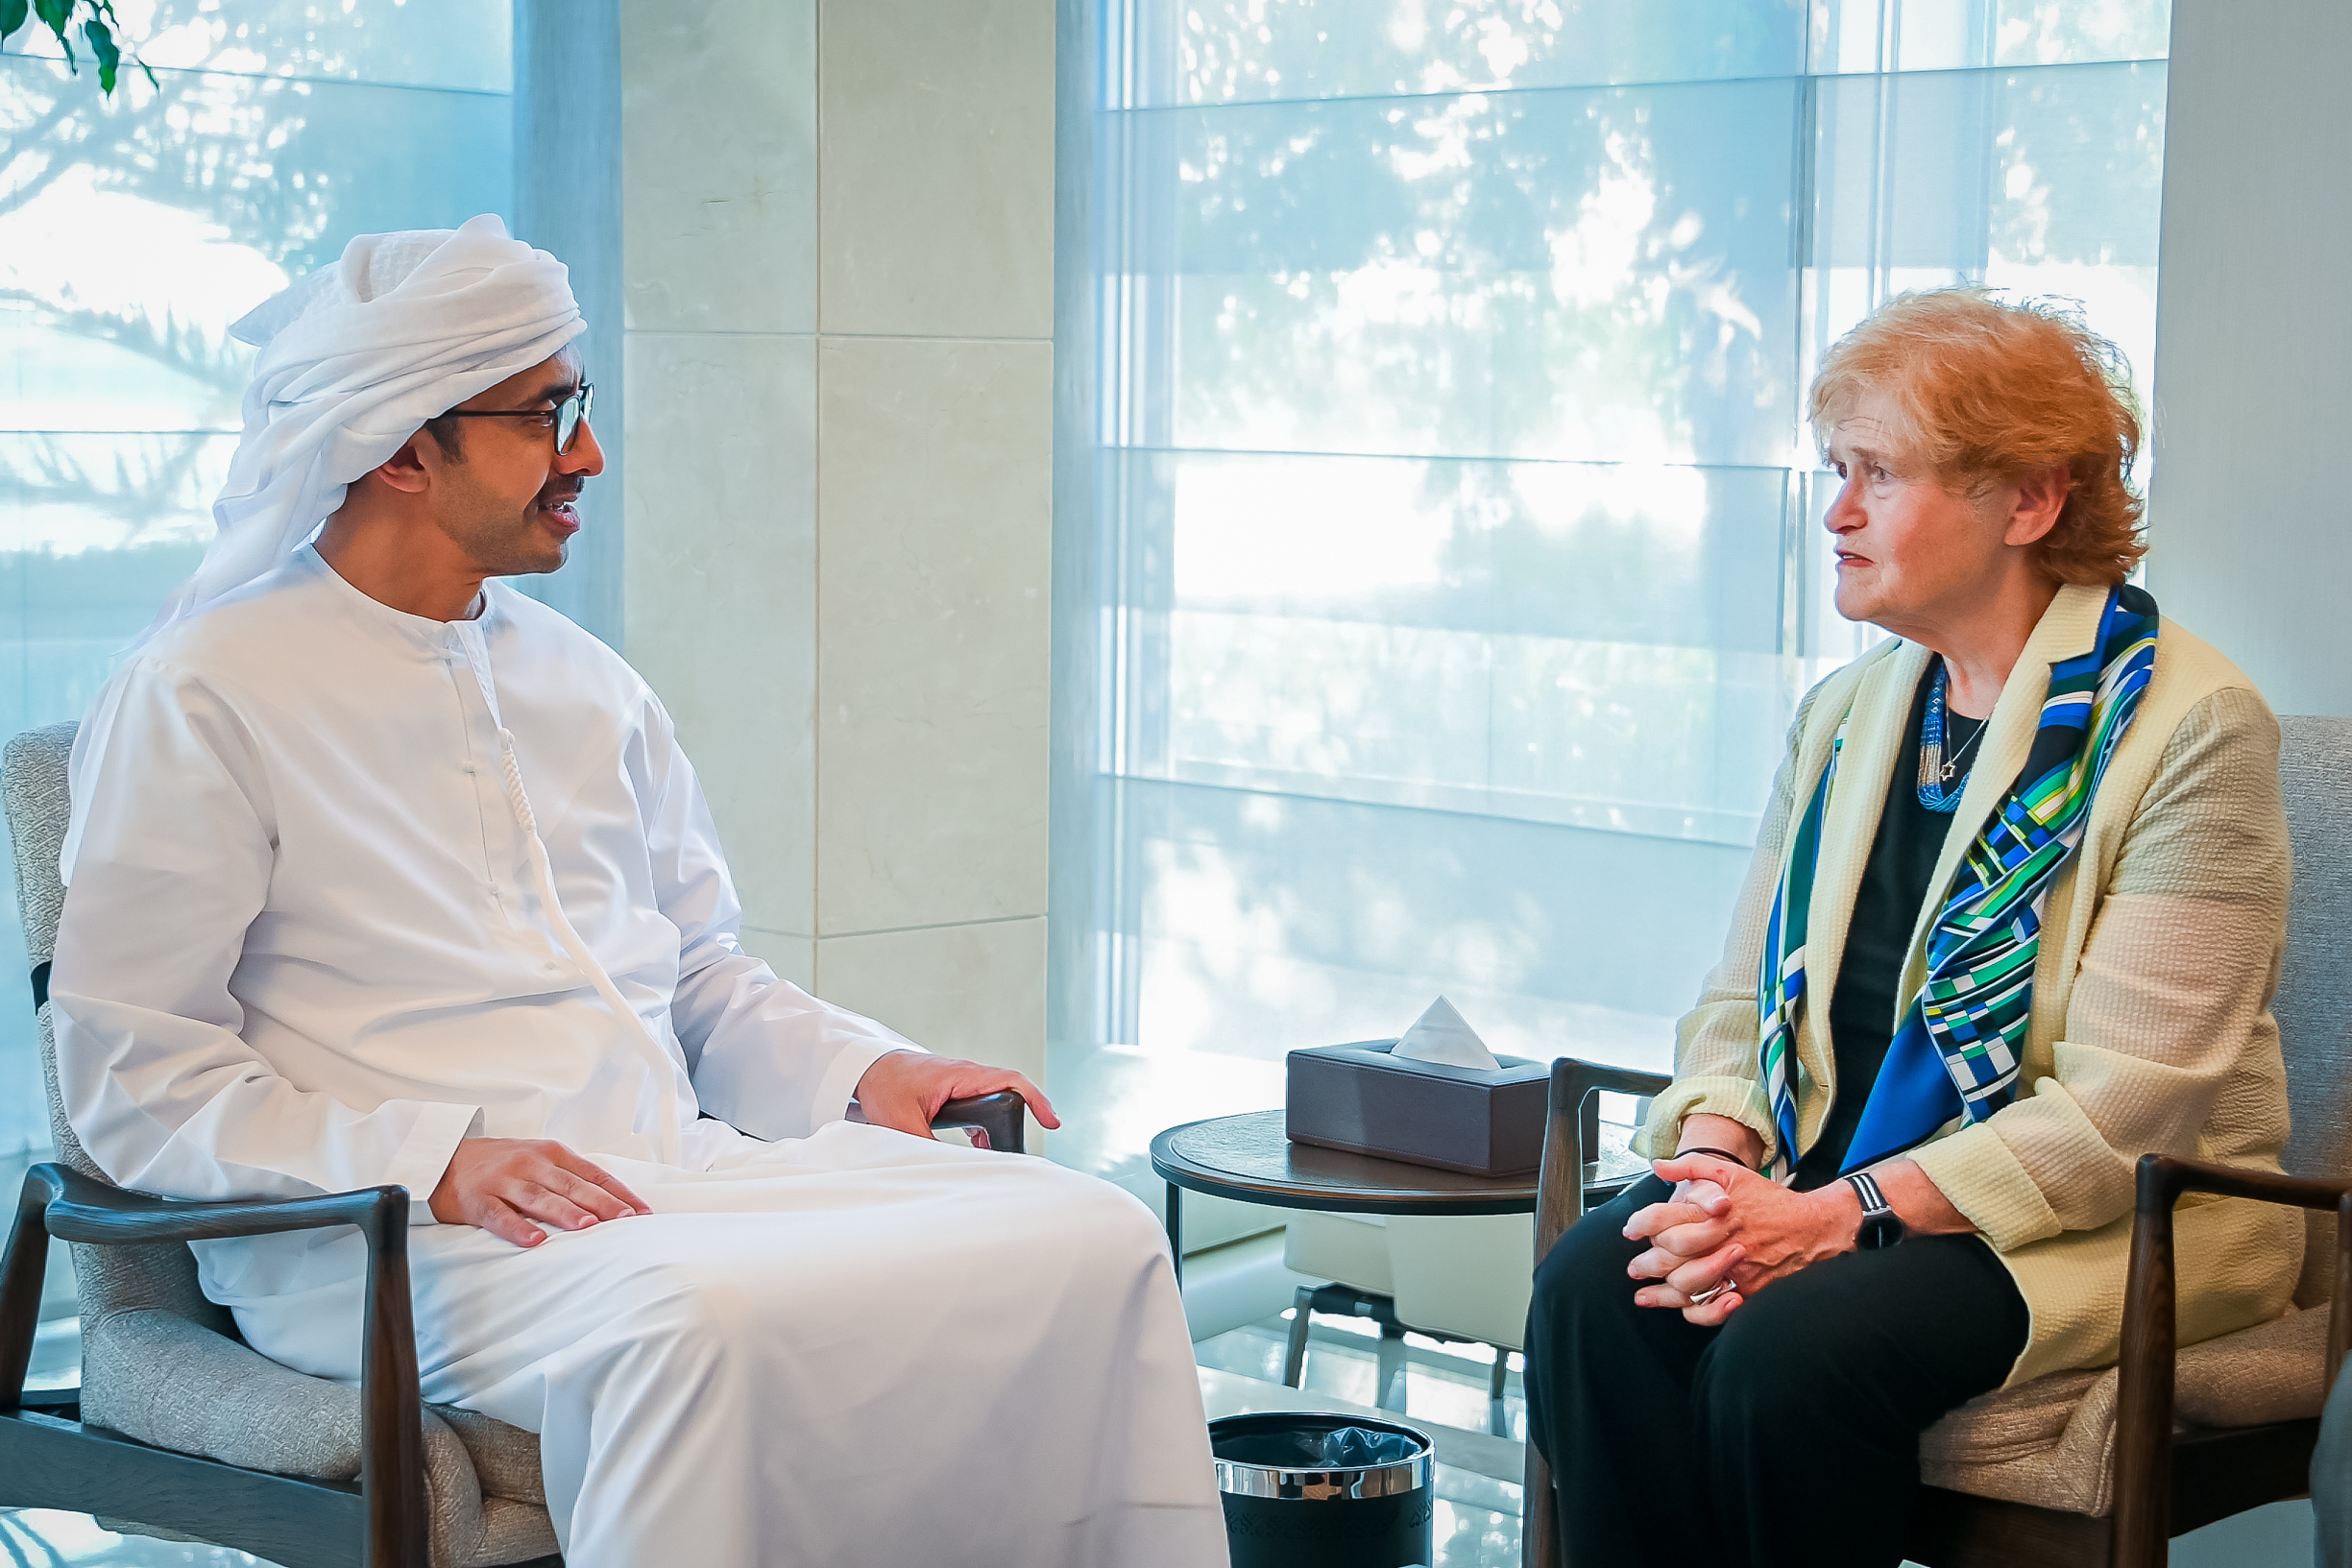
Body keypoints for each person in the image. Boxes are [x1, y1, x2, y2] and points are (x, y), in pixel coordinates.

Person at [51, 217, 1227, 1568]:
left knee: (1088, 1235)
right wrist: (435, 1159)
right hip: (381, 1245)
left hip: (665, 1186)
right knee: (698, 1322)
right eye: (547, 416)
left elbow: (700, 977)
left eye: (583, 406)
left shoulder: (585, 681)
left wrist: (866, 1069)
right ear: (401, 448)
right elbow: (134, 1070)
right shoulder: (205, 693)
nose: (590, 456)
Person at [1520, 289, 2303, 1568]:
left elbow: (2126, 1113)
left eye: (1877, 474)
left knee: (1790, 1353)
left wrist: (1833, 1217)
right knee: (1593, 1292)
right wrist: (1712, 1171)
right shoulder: (1847, 713)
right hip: (1826, 1169)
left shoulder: (2192, 730)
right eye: (1836, 470)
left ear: (2029, 500)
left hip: (2099, 1216)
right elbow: (1739, 1002)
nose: (1836, 513)